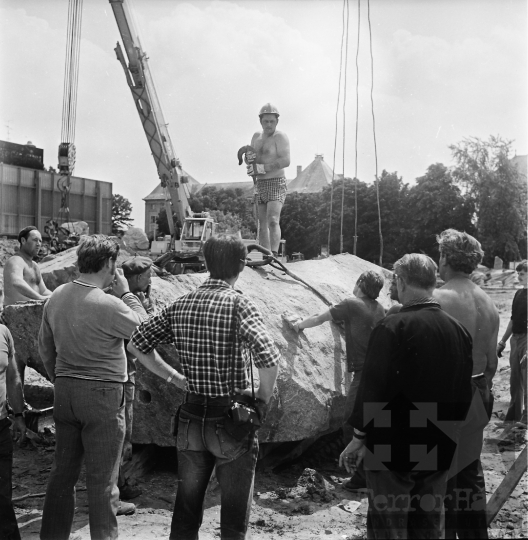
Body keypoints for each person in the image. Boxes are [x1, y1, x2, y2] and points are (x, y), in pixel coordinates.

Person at [128, 234, 280, 540]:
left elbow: (137, 344)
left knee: (186, 513)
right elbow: (268, 357)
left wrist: (174, 377)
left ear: (207, 263)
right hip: (232, 418)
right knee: (233, 522)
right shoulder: (240, 305)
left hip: (191, 417)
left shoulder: (181, 304)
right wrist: (262, 401)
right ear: (240, 266)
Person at [38, 235, 183, 540]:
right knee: (103, 481)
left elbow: (45, 348)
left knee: (61, 475)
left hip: (65, 392)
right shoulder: (110, 305)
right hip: (103, 396)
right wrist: (128, 294)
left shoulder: (56, 296)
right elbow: (148, 333)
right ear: (108, 264)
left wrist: (59, 379)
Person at [340, 254, 473, 539]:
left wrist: (359, 438)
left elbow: (372, 390)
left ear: (400, 282)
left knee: (388, 525)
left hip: (394, 446)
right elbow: (464, 395)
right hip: (439, 443)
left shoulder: (391, 328)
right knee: (426, 524)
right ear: (432, 283)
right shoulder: (459, 331)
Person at [287, 270, 386, 490]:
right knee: (371, 422)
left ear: (360, 283)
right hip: (380, 372)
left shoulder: (351, 303)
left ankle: (359, 476)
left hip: (364, 374)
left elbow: (319, 318)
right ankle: (367, 471)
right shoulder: (379, 308)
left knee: (353, 420)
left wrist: (298, 325)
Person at [434, 229, 499, 539]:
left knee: (439, 474)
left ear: (446, 257)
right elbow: (491, 363)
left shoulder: (437, 299)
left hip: (447, 395)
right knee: (469, 472)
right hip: (479, 390)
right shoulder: (488, 301)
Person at [118, 255, 155, 500]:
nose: (151, 280)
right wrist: (144, 306)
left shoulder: (125, 298)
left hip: (119, 373)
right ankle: (118, 487)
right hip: (122, 375)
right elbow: (148, 328)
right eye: (149, 276)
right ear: (139, 278)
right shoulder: (126, 303)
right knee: (122, 433)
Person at [3, 226, 52, 398]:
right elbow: (16, 282)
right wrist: (39, 298)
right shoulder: (15, 261)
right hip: (15, 320)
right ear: (23, 241)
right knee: (15, 369)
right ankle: (12, 409)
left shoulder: (35, 265)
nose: (39, 243)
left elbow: (44, 290)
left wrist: (58, 297)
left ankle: (17, 405)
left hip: (32, 319)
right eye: (35, 240)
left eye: (40, 240)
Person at [246, 103, 290, 255]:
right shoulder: (256, 137)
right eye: (266, 121)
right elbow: (251, 159)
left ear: (277, 121)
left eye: (272, 121)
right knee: (261, 223)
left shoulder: (280, 137)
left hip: (276, 182)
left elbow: (286, 160)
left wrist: (263, 168)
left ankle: (274, 254)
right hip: (260, 183)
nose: (269, 124)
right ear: (261, 121)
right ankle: (265, 255)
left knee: (272, 219)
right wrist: (249, 161)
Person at [0, 292, 26, 540]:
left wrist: (18, 414)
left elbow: (13, 376)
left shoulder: (3, 332)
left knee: (2, 496)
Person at [497, 260, 527, 424]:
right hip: (515, 339)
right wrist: (502, 341)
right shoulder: (518, 294)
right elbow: (513, 319)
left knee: (527, 379)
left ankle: (526, 420)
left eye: (522, 274)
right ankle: (514, 416)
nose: (518, 277)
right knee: (515, 380)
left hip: (527, 340)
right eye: (518, 273)